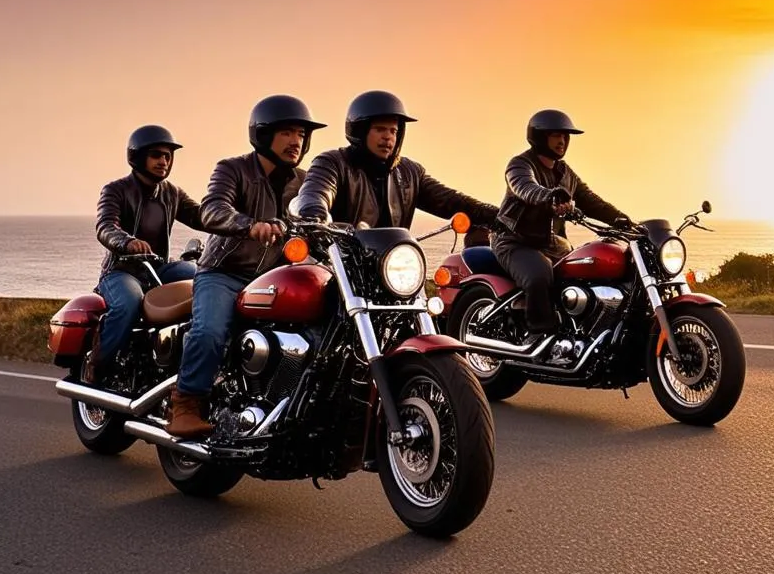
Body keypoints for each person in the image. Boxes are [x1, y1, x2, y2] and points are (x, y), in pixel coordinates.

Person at [165, 95, 325, 438]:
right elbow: (211, 209)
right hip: (224, 272)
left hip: (274, 278)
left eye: (300, 134)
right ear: (263, 135)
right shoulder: (233, 169)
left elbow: (322, 214)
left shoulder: (306, 180)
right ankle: (186, 403)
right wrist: (249, 224)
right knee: (209, 331)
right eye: (286, 133)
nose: (295, 141)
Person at [491, 109, 629, 335]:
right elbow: (525, 187)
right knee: (539, 274)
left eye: (566, 136)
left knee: (587, 269)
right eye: (556, 135)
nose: (563, 140)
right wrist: (549, 196)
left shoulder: (566, 173)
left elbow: (592, 201)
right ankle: (538, 334)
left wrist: (623, 221)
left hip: (552, 243)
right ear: (539, 137)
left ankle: (585, 331)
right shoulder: (520, 165)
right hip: (515, 241)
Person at [85, 125, 204, 384]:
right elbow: (106, 226)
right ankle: (98, 365)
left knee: (204, 280)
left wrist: (242, 223)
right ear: (137, 156)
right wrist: (127, 242)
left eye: (168, 156)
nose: (164, 161)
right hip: (121, 270)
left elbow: (202, 216)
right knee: (129, 303)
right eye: (156, 155)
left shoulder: (172, 193)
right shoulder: (115, 190)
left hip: (158, 267)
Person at [295, 90, 499, 233]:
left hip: (393, 263)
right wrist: (315, 215)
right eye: (380, 129)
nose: (388, 137)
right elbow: (316, 192)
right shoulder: (332, 163)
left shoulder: (410, 173)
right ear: (360, 131)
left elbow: (450, 201)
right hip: (340, 263)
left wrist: (499, 216)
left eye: (393, 131)